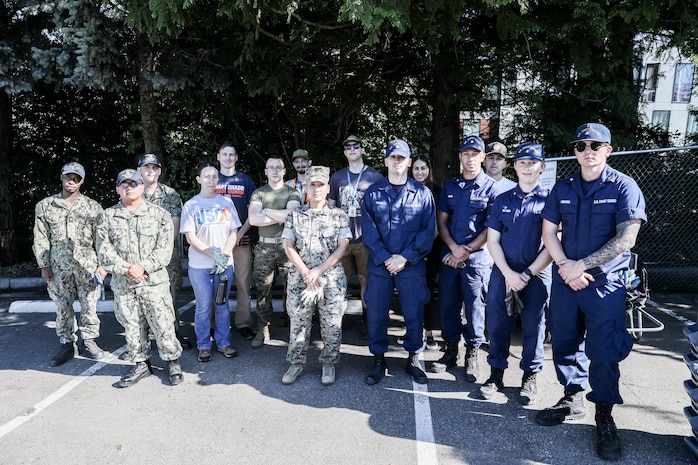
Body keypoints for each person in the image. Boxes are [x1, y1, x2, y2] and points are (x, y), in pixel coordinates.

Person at [535, 123, 646, 461]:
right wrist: (567, 267)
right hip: (567, 281)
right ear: (575, 151)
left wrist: (580, 266)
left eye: (595, 145)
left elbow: (627, 238)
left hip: (604, 284)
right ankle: (572, 397)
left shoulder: (624, 186)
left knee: (603, 349)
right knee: (565, 341)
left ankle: (605, 413)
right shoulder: (563, 187)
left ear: (608, 149)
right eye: (581, 145)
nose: (588, 151)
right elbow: (549, 231)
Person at [95, 169, 183, 387]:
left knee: (163, 324)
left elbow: (164, 250)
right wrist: (127, 269)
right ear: (117, 189)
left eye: (134, 184)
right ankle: (141, 364)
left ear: (142, 187)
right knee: (132, 326)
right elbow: (104, 251)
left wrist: (143, 267)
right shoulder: (106, 216)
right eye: (123, 184)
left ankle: (172, 361)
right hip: (124, 284)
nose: (129, 187)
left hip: (153, 282)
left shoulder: (160, 215)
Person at [480, 142, 552, 405]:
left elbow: (554, 243)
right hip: (503, 272)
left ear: (541, 167)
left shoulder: (550, 201)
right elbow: (492, 240)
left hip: (537, 274)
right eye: (522, 163)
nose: (527, 168)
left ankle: (529, 377)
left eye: (532, 163)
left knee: (534, 327)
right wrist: (509, 274)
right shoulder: (502, 200)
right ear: (515, 166)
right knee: (499, 324)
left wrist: (527, 274)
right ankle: (495, 374)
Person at [362, 140, 436, 385]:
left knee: (414, 312)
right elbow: (369, 232)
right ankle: (379, 359)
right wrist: (386, 259)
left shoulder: (423, 194)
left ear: (408, 161)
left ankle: (413, 357)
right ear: (385, 161)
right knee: (376, 313)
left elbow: (428, 231)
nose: (397, 162)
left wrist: (404, 257)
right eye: (393, 157)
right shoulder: (373, 194)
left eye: (401, 158)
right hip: (380, 265)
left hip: (411, 265)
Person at [432, 135, 501, 382]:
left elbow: (491, 227)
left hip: (476, 260)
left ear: (483, 157)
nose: (470, 158)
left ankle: (472, 353)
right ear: (460, 156)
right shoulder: (451, 187)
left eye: (475, 154)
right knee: (448, 305)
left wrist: (466, 250)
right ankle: (450, 351)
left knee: (474, 307)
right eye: (466, 154)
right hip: (450, 257)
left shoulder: (492, 189)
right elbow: (441, 220)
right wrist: (452, 247)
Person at [280, 166, 351, 386]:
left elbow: (343, 247)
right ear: (307, 188)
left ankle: (328, 363)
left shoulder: (338, 215)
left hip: (330, 278)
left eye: (321, 185)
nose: (317, 189)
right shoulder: (295, 215)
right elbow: (289, 246)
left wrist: (318, 271)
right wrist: (305, 272)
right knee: (298, 322)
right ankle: (296, 363)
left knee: (331, 323)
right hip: (301, 278)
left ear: (328, 187)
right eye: (313, 184)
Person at [33, 162, 107, 367]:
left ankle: (90, 340)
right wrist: (44, 265)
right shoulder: (46, 206)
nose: (71, 181)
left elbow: (101, 239)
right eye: (68, 177)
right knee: (62, 308)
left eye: (76, 178)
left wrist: (102, 265)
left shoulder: (93, 207)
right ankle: (67, 343)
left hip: (87, 266)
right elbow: (40, 237)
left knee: (89, 305)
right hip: (58, 267)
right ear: (61, 177)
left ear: (82, 180)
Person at [181, 163, 241, 362]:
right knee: (204, 306)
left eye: (214, 176)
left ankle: (224, 343)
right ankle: (204, 345)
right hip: (200, 266)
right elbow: (191, 237)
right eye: (206, 176)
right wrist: (213, 255)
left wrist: (223, 255)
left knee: (222, 304)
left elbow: (233, 232)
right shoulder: (191, 205)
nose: (211, 180)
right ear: (198, 179)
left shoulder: (226, 202)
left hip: (224, 264)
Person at [328, 135, 384, 337]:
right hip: (342, 239)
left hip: (365, 239)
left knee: (364, 280)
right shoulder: (337, 177)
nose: (352, 149)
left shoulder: (375, 177)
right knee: (339, 281)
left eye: (356, 146)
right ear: (344, 152)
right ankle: (335, 321)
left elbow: (381, 210)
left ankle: (366, 319)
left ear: (362, 150)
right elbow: (331, 208)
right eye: (348, 147)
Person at [137, 153, 191, 349]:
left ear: (159, 171)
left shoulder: (170, 195)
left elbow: (175, 227)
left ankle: (173, 334)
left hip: (167, 258)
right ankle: (141, 341)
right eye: (146, 167)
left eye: (154, 168)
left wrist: (159, 251)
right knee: (139, 298)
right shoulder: (133, 192)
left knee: (169, 297)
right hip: (139, 257)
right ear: (139, 170)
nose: (150, 171)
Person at [248, 156, 301, 347]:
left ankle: (294, 328)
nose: (275, 171)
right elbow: (253, 219)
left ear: (284, 171)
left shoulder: (292, 192)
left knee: (292, 288)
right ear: (265, 171)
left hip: (287, 247)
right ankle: (263, 328)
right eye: (271, 167)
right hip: (264, 248)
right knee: (263, 289)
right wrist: (279, 215)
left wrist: (266, 211)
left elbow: (292, 215)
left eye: (278, 167)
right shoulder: (259, 193)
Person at [397, 154, 441, 350]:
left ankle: (429, 332)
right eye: (416, 168)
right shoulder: (404, 191)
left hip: (429, 249)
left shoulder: (437, 192)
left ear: (429, 170)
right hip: (408, 250)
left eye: (423, 168)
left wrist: (421, 248)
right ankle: (412, 330)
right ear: (410, 169)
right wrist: (410, 252)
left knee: (428, 291)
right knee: (410, 293)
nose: (420, 172)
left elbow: (437, 226)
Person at [215, 143, 257, 341]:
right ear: (218, 157)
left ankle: (243, 323)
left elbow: (253, 211)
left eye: (232, 154)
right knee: (217, 284)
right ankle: (215, 324)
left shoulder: (245, 180)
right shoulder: (212, 179)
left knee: (243, 284)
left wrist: (240, 233)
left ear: (236, 157)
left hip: (242, 240)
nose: (228, 157)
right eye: (225, 154)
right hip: (217, 243)